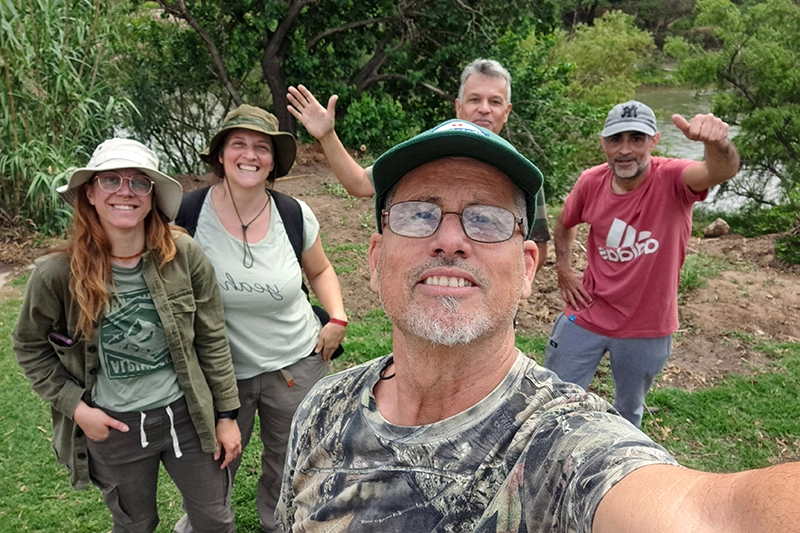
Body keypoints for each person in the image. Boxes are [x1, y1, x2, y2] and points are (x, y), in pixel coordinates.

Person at [275, 120, 800, 533]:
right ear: (374, 258)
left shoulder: (563, 444)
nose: (451, 240)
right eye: (417, 214)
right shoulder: (322, 407)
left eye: (486, 219)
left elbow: (710, 516)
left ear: (527, 267)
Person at [12, 139, 241, 533]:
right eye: (111, 180)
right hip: (114, 427)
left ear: (152, 197)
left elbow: (212, 338)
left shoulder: (183, 254)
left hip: (187, 415)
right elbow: (29, 347)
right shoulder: (56, 274)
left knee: (215, 520)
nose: (125, 192)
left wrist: (226, 415)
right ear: (90, 192)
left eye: (139, 183)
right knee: (135, 524)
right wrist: (79, 410)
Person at [175, 104, 347, 533]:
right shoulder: (187, 215)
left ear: (273, 161)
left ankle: (278, 523)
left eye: (261, 147)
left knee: (289, 458)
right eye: (238, 144)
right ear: (220, 155)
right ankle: (203, 524)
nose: (249, 155)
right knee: (213, 461)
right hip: (218, 372)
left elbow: (321, 270)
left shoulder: (293, 214)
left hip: (295, 361)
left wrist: (338, 318)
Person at [544, 100, 741, 428]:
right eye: (615, 139)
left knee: (628, 412)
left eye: (636, 139)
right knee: (555, 399)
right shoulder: (591, 182)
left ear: (654, 140)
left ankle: (625, 469)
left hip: (646, 326)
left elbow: (720, 170)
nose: (625, 150)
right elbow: (565, 222)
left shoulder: (674, 179)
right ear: (603, 143)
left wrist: (717, 143)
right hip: (588, 310)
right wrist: (564, 268)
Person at [286, 58, 550, 272]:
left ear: (507, 110)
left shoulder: (522, 173)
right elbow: (359, 183)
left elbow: (537, 243)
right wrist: (326, 136)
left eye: (495, 101)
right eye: (474, 99)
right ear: (458, 106)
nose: (484, 109)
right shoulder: (424, 154)